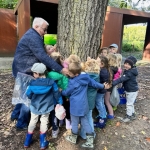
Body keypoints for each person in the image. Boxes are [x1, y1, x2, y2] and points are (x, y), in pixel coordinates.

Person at [11, 17, 68, 130]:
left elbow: (38, 51)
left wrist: (46, 51)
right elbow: (42, 57)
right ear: (36, 26)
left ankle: (15, 115)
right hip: (25, 71)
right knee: (27, 99)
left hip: (20, 68)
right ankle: (21, 123)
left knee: (22, 95)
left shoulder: (33, 35)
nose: (46, 32)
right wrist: (61, 69)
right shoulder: (33, 36)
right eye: (44, 29)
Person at [61, 62, 110, 149]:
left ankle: (73, 138)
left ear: (76, 74)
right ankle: (90, 141)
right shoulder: (86, 77)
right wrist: (103, 86)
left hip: (75, 107)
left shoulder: (72, 82)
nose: (68, 73)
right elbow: (94, 83)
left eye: (70, 73)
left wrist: (61, 91)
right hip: (84, 105)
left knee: (75, 123)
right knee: (85, 121)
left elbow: (67, 92)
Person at [24, 63, 60, 149]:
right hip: (46, 106)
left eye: (33, 73)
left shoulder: (32, 84)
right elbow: (56, 93)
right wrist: (60, 102)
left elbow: (28, 94)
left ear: (37, 73)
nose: (33, 74)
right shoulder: (51, 83)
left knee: (32, 121)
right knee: (44, 121)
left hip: (35, 106)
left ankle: (27, 141)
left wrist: (31, 97)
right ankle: (43, 143)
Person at [112, 56, 138, 123]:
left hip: (131, 90)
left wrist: (113, 83)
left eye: (128, 64)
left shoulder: (130, 73)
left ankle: (128, 116)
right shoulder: (128, 71)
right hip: (130, 89)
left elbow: (122, 79)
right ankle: (132, 114)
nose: (126, 65)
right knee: (131, 103)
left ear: (132, 66)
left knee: (129, 104)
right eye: (125, 63)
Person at [94, 56, 111, 128]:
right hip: (103, 90)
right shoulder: (105, 70)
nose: (95, 62)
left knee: (98, 103)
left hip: (100, 90)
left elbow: (99, 81)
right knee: (101, 102)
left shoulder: (101, 71)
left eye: (97, 61)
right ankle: (103, 114)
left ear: (102, 64)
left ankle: (102, 120)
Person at [105, 53, 118, 119]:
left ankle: (111, 114)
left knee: (107, 101)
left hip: (108, 87)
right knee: (107, 100)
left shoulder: (109, 69)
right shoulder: (114, 68)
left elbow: (108, 78)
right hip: (110, 86)